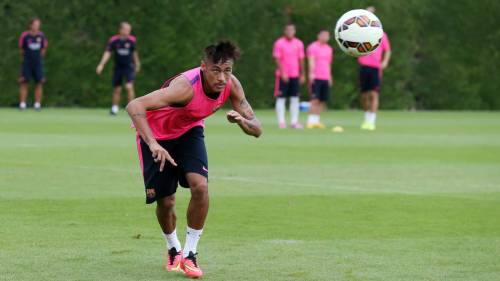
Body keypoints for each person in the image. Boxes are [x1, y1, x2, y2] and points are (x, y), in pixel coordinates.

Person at [125, 40, 262, 279]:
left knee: (200, 186)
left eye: (227, 71)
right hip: (156, 136)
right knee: (166, 203)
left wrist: (242, 122)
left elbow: (257, 128)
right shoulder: (184, 88)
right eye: (215, 71)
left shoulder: (232, 85)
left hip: (189, 132)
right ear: (203, 67)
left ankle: (190, 254)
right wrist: (153, 144)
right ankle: (173, 248)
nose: (221, 78)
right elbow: (134, 105)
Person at [96, 22, 141, 115]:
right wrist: (101, 64)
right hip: (118, 68)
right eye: (126, 29)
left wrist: (137, 63)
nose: (128, 31)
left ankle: (132, 109)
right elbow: (107, 52)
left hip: (129, 67)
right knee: (117, 89)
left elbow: (134, 52)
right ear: (120, 30)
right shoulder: (114, 40)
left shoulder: (131, 40)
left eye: (129, 30)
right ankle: (114, 109)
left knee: (129, 87)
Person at [358, 6, 391, 130]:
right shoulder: (359, 32)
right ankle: (366, 118)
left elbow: (387, 50)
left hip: (375, 67)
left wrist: (385, 61)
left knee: (374, 93)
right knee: (364, 95)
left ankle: (371, 121)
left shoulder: (381, 34)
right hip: (363, 66)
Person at [273, 23, 306, 129]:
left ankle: (294, 122)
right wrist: (283, 73)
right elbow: (277, 59)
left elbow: (301, 59)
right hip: (283, 75)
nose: (290, 32)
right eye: (288, 30)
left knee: (295, 98)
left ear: (294, 31)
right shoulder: (279, 43)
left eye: (292, 30)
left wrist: (302, 74)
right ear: (285, 31)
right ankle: (281, 122)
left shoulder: (299, 43)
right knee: (281, 98)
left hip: (295, 75)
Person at [18, 18, 48, 111]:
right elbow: (21, 49)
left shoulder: (41, 36)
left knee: (39, 83)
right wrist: (26, 59)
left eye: (38, 25)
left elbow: (43, 49)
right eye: (35, 24)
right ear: (30, 25)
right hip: (27, 63)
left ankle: (37, 104)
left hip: (37, 63)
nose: (36, 26)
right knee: (24, 82)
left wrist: (38, 58)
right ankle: (22, 104)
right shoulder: (25, 35)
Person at [306, 29, 333, 129]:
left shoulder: (329, 49)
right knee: (314, 100)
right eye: (323, 35)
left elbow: (328, 64)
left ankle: (316, 121)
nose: (325, 37)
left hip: (325, 77)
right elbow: (311, 61)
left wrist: (330, 76)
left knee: (322, 100)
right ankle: (310, 121)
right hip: (316, 77)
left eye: (327, 36)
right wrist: (311, 73)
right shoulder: (313, 47)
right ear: (319, 36)